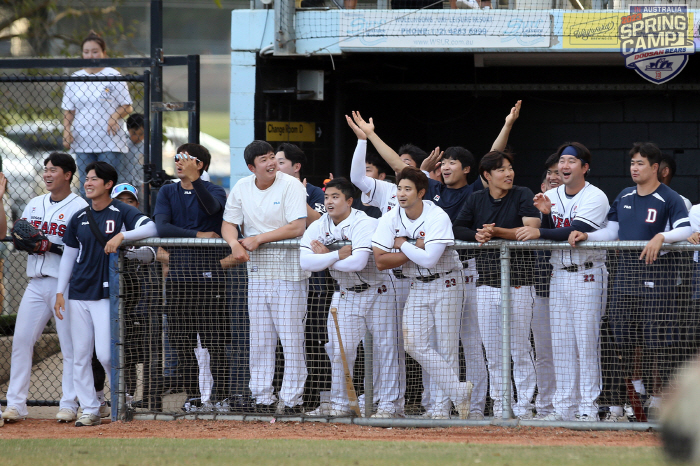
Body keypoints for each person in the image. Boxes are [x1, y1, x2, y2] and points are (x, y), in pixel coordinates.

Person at [569, 142, 691, 421]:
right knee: (623, 340)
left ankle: (659, 399)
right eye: (632, 163)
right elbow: (611, 231)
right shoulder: (624, 195)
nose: (634, 168)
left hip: (659, 282)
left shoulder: (669, 197)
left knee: (657, 343)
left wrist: (662, 236)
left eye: (640, 164)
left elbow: (686, 228)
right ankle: (634, 394)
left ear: (655, 168)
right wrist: (587, 235)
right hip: (625, 279)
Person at [54, 161, 157, 427]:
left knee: (106, 354)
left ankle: (121, 401)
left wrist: (123, 236)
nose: (87, 183)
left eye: (94, 179)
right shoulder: (78, 216)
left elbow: (152, 228)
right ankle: (90, 408)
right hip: (78, 293)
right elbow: (69, 256)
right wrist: (59, 292)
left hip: (105, 295)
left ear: (108, 184)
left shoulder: (121, 210)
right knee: (80, 355)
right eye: (86, 179)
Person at [516, 142, 609, 422]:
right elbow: (554, 229)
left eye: (571, 161)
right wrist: (544, 214)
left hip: (587, 273)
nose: (565, 166)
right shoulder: (553, 193)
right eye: (562, 161)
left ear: (585, 167)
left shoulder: (596, 196)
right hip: (559, 274)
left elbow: (574, 231)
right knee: (562, 344)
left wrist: (540, 231)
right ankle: (563, 407)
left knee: (585, 343)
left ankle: (587, 408)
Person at [372, 166, 473, 419]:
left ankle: (441, 409)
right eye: (399, 188)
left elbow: (430, 259)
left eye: (408, 189)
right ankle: (459, 391)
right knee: (413, 344)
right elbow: (380, 261)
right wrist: (412, 248)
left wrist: (402, 245)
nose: (402, 194)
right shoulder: (390, 218)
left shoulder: (437, 215)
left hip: (447, 282)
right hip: (417, 284)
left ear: (421, 192)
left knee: (447, 346)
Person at [300, 177, 401, 418]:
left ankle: (389, 406)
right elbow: (305, 262)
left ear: (349, 201)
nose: (330, 201)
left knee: (386, 350)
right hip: (345, 293)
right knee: (339, 349)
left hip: (379, 290)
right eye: (326, 197)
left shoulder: (363, 222)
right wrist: (335, 255)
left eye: (335, 197)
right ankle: (339, 404)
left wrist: (326, 257)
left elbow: (359, 261)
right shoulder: (319, 225)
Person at [222, 140, 308, 415]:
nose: (271, 163)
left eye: (272, 157)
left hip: (289, 274)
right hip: (257, 275)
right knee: (260, 339)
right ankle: (262, 397)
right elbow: (228, 224)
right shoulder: (242, 187)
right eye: (264, 160)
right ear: (251, 167)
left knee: (291, 339)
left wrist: (259, 238)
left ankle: (292, 400)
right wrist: (235, 244)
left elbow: (297, 226)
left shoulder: (291, 184)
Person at [453, 150, 541, 419]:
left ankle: (524, 406)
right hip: (485, 285)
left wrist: (496, 233)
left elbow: (530, 227)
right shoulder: (477, 197)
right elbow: (458, 228)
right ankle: (502, 404)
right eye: (501, 170)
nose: (508, 173)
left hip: (519, 284)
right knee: (493, 352)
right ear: (486, 176)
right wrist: (478, 233)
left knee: (520, 348)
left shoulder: (523, 193)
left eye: (510, 168)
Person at [1, 153, 87, 423]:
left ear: (68, 175)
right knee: (22, 342)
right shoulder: (35, 203)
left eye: (53, 170)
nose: (47, 175)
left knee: (70, 348)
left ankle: (69, 403)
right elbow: (21, 234)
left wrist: (51, 246)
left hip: (66, 285)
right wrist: (24, 241)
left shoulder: (80, 207)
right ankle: (16, 404)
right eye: (45, 170)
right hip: (35, 284)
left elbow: (83, 251)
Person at [153, 144, 230, 411]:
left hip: (209, 277)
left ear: (200, 164)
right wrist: (198, 235)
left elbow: (211, 210)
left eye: (185, 159)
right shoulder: (167, 191)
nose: (179, 162)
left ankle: (220, 396)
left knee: (215, 340)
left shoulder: (215, 189)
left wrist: (196, 182)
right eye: (177, 158)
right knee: (182, 340)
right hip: (178, 276)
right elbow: (162, 228)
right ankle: (194, 397)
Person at [61, 31, 133, 197]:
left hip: (110, 140)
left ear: (103, 53)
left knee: (107, 184)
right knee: (87, 186)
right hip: (83, 139)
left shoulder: (113, 75)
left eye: (94, 51)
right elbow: (69, 110)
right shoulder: (75, 78)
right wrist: (67, 131)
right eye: (86, 52)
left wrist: (114, 116)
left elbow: (127, 106)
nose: (90, 55)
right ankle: (88, 220)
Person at [111, 182, 163, 410]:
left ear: (136, 204)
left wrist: (122, 250)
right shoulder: (106, 225)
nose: (125, 205)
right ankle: (127, 397)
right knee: (124, 350)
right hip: (115, 299)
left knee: (151, 349)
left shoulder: (140, 225)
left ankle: (152, 400)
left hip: (143, 299)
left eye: (129, 201)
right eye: (120, 201)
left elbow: (150, 254)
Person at [275, 143, 325, 225]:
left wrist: (300, 196)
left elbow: (319, 223)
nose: (276, 168)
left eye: (281, 163)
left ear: (296, 167)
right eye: (275, 163)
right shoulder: (270, 190)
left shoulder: (314, 192)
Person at [124, 113, 145, 192]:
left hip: (140, 184)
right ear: (128, 130)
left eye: (141, 134)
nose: (137, 137)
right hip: (122, 182)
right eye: (133, 133)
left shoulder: (147, 149)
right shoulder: (122, 145)